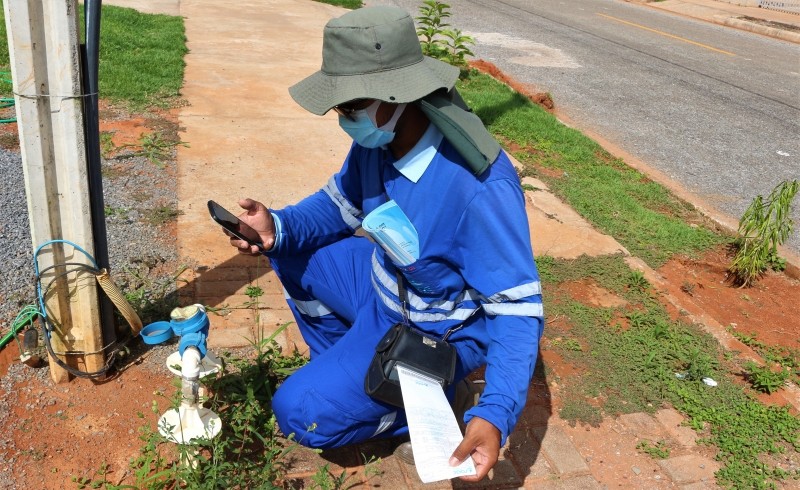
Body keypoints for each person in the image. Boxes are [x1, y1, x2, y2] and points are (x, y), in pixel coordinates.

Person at [225, 5, 544, 481]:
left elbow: (517, 310)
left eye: (351, 106)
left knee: (298, 412)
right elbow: (337, 206)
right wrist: (276, 227)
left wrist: (494, 413)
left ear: (398, 96)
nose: (343, 119)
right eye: (342, 107)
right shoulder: (379, 141)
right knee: (289, 250)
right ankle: (347, 362)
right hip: (382, 289)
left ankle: (418, 402)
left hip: (434, 330)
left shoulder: (478, 190)